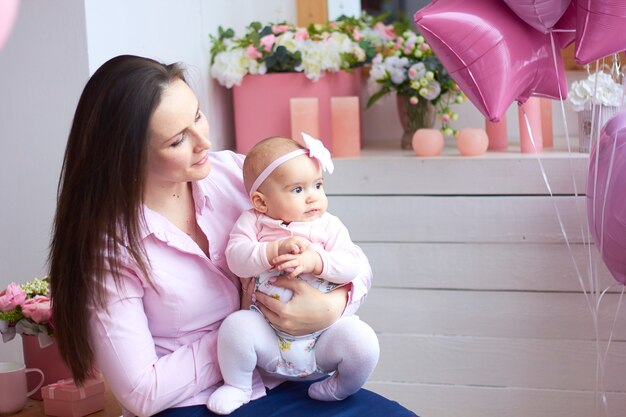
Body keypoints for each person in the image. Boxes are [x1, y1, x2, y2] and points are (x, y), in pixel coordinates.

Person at [49, 54, 417, 417]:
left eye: (197, 117)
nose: (202, 143)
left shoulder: (237, 175)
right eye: (178, 140)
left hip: (290, 378)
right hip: (195, 402)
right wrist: (250, 334)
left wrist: (331, 307)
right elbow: (141, 392)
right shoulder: (111, 250)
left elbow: (348, 256)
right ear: (128, 156)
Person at [207, 135, 379, 415]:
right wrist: (270, 251)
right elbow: (236, 259)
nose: (313, 196)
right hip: (269, 338)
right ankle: (239, 385)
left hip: (323, 339)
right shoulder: (253, 222)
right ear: (261, 203)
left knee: (363, 341)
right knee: (236, 327)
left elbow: (351, 266)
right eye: (298, 189)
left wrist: (315, 261)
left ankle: (341, 387)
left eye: (318, 185)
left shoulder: (328, 226)